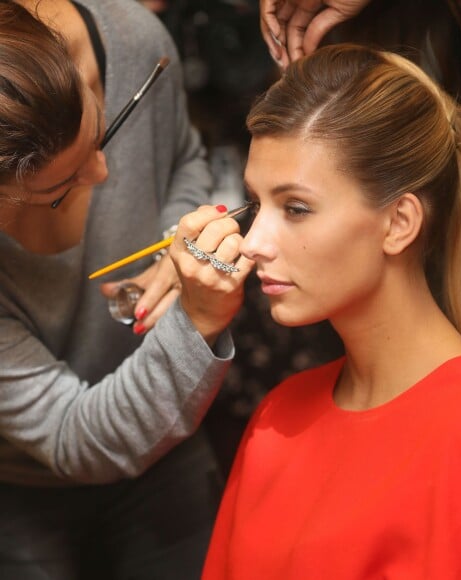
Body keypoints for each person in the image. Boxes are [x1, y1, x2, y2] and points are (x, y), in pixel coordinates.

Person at [194, 43, 461, 578]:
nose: (253, 243)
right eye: (257, 204)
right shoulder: (279, 416)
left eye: (295, 208)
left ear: (399, 223)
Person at [0, 1, 252, 578]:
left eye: (103, 130)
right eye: (63, 186)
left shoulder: (131, 42)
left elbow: (184, 159)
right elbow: (75, 435)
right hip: (24, 484)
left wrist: (174, 241)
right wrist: (196, 323)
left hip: (172, 454)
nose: (104, 173)